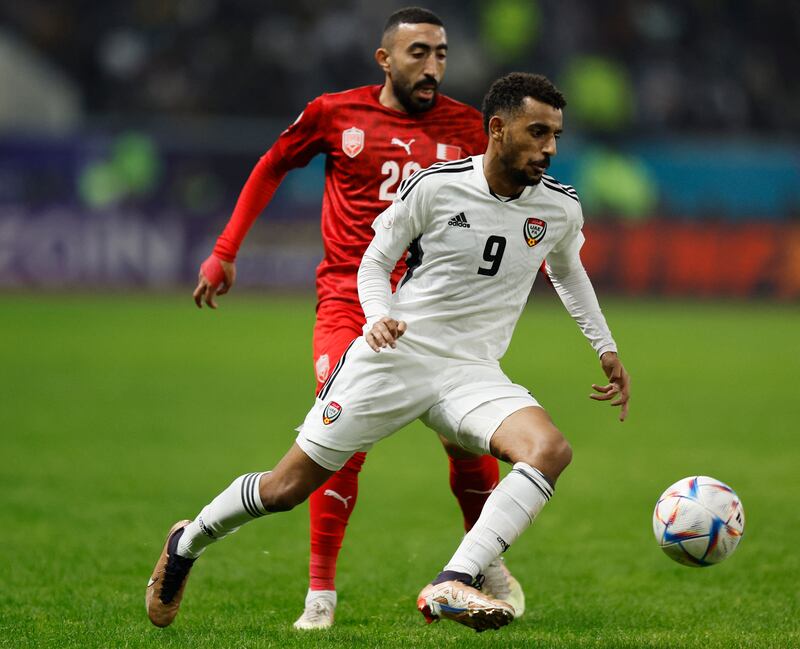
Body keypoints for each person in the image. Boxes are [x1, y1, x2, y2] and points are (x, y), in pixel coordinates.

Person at [146, 71, 631, 633]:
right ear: (497, 129)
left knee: (548, 450)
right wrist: (377, 319)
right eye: (537, 132)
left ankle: (457, 579)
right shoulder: (435, 185)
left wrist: (606, 347)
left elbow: (567, 272)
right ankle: (188, 540)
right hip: (395, 358)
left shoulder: (560, 207)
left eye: (556, 136)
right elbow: (375, 261)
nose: (549, 148)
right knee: (285, 489)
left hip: (471, 372)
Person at [190, 7, 524, 629]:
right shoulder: (334, 114)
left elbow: (505, 204)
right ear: (385, 60)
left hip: (432, 309)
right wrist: (226, 250)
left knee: (465, 438)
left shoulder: (469, 128)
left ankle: (482, 562)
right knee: (339, 438)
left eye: (442, 54)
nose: (432, 67)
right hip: (350, 299)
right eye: (418, 53)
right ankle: (321, 593)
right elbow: (271, 165)